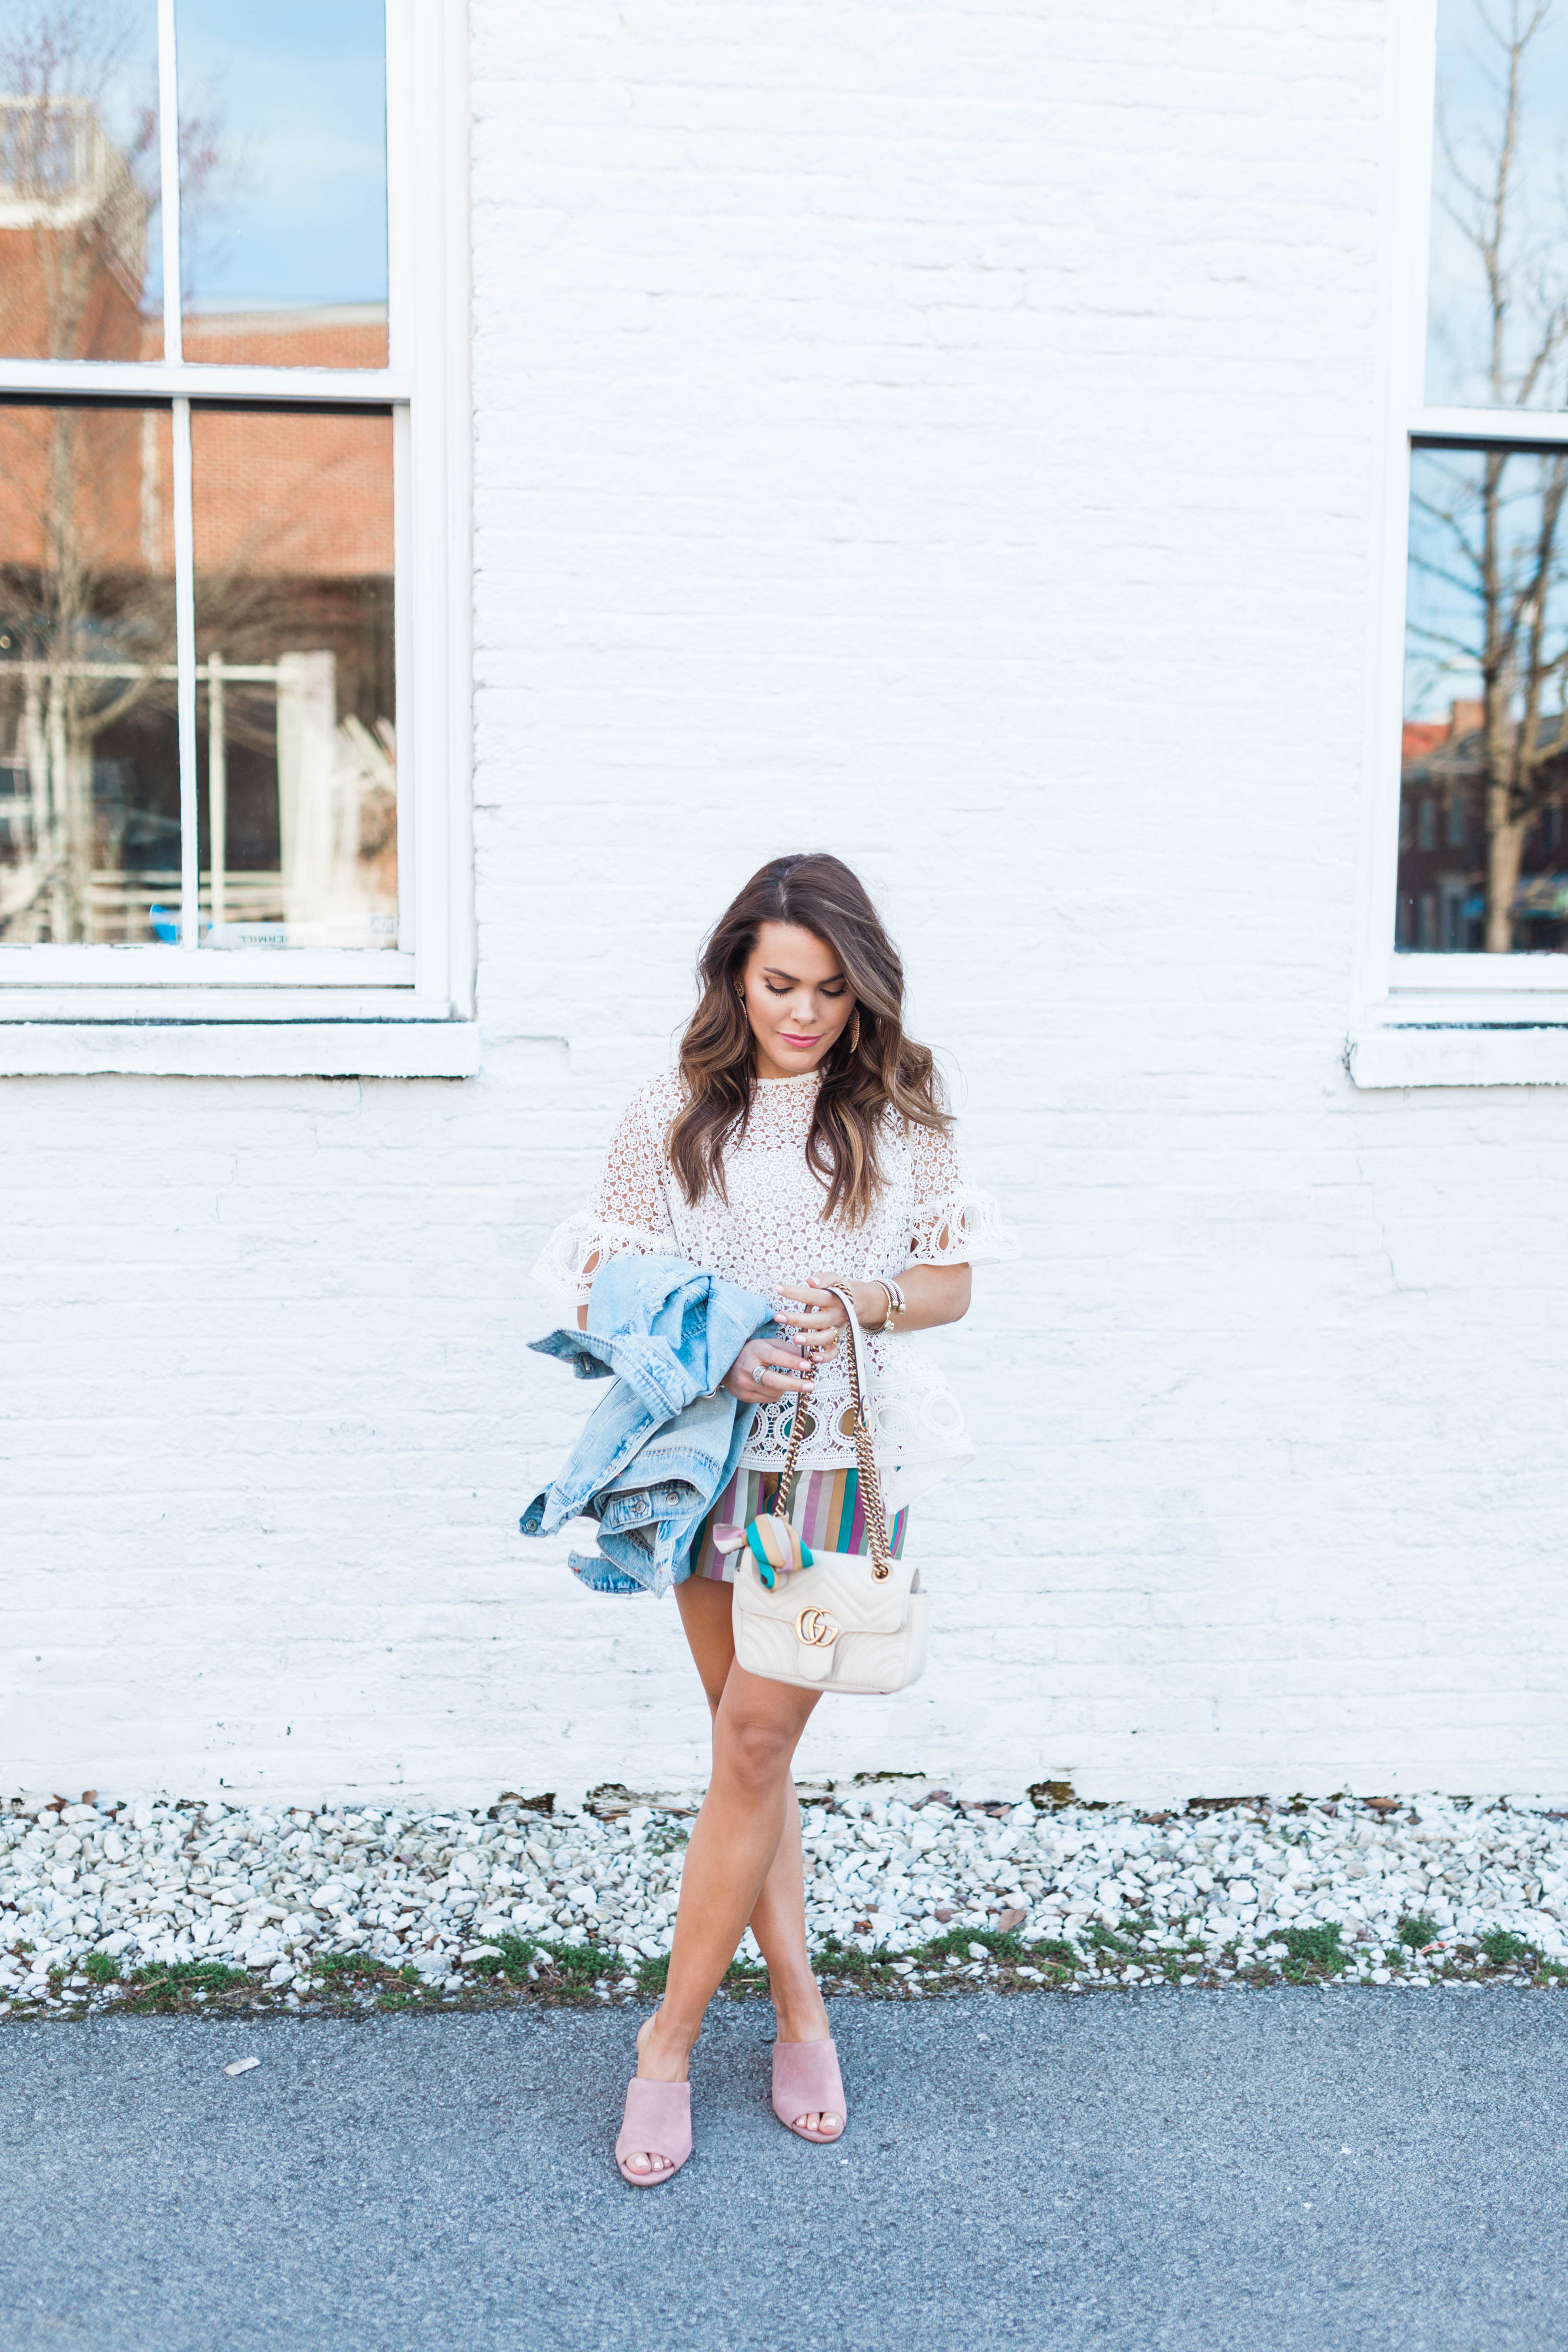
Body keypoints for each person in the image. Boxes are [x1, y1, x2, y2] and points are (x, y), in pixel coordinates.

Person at [534, 852, 1006, 2184]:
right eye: (777, 983)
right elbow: (597, 1273)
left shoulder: (897, 1110)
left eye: (828, 990)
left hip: (827, 1465)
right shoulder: (671, 1104)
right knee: (747, 1749)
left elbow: (951, 1281)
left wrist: (866, 1296)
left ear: (862, 994)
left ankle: (667, 2042)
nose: (802, 1013)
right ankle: (800, 2013)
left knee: (753, 1734)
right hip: (703, 1451)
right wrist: (716, 1343)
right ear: (735, 974)